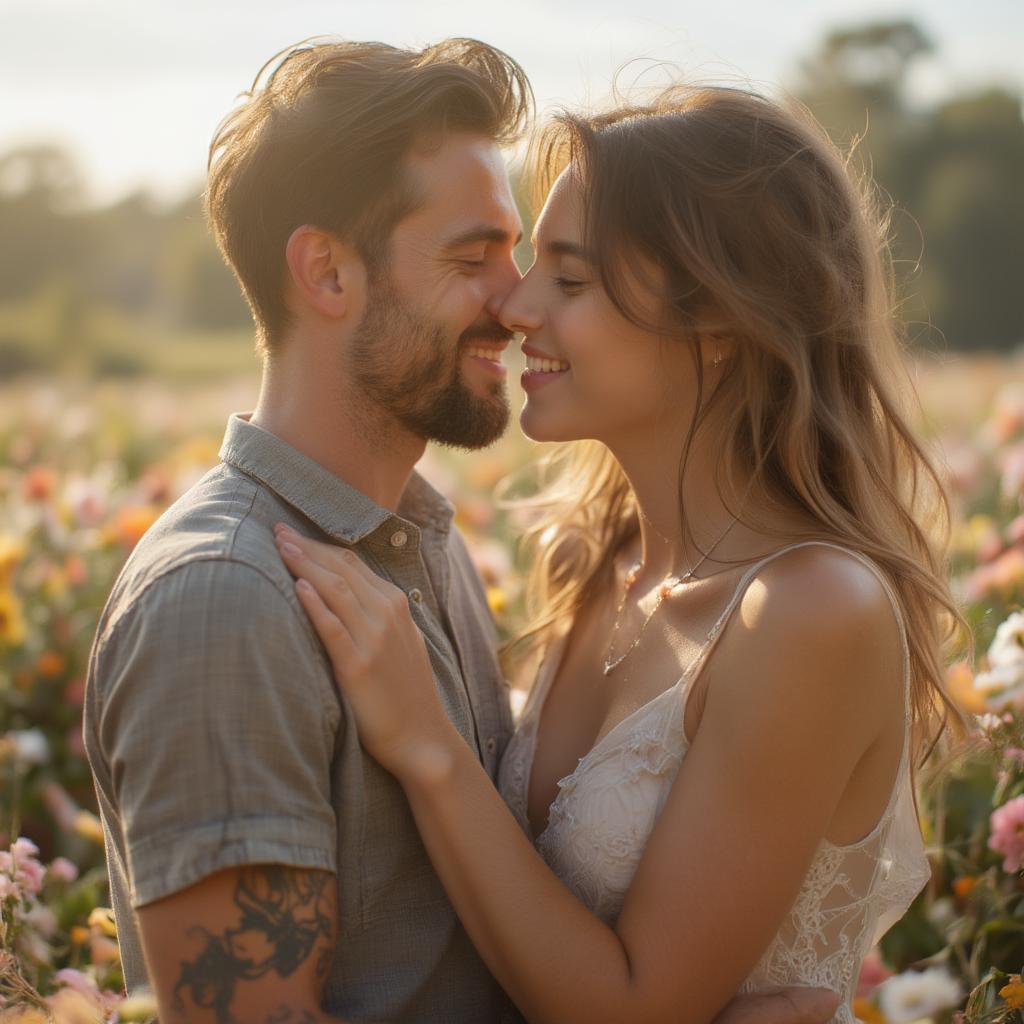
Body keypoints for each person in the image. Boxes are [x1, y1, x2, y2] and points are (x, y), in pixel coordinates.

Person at [82, 39, 836, 1024]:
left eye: (520, 255)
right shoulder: (226, 601)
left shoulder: (415, 542)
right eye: (472, 256)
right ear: (327, 274)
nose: (517, 302)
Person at [274, 84, 967, 1024]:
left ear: (720, 320)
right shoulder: (597, 562)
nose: (516, 306)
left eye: (570, 278)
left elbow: (632, 1010)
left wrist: (429, 747)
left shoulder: (811, 610)